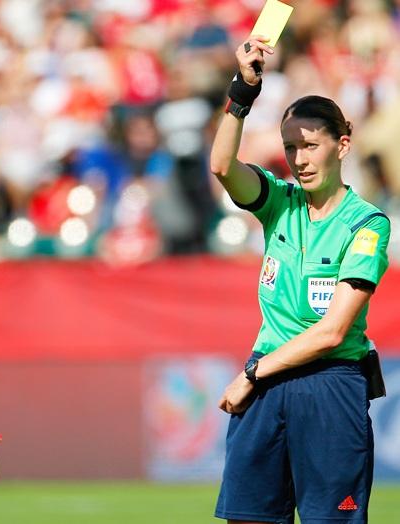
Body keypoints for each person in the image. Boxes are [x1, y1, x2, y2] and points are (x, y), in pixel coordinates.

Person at [211, 37, 390, 523]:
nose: (300, 159)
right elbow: (223, 166)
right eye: (291, 147)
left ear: (342, 145)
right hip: (267, 384)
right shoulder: (279, 203)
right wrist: (242, 92)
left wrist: (251, 375)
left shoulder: (367, 224)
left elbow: (332, 333)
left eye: (310, 145)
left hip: (329, 384)